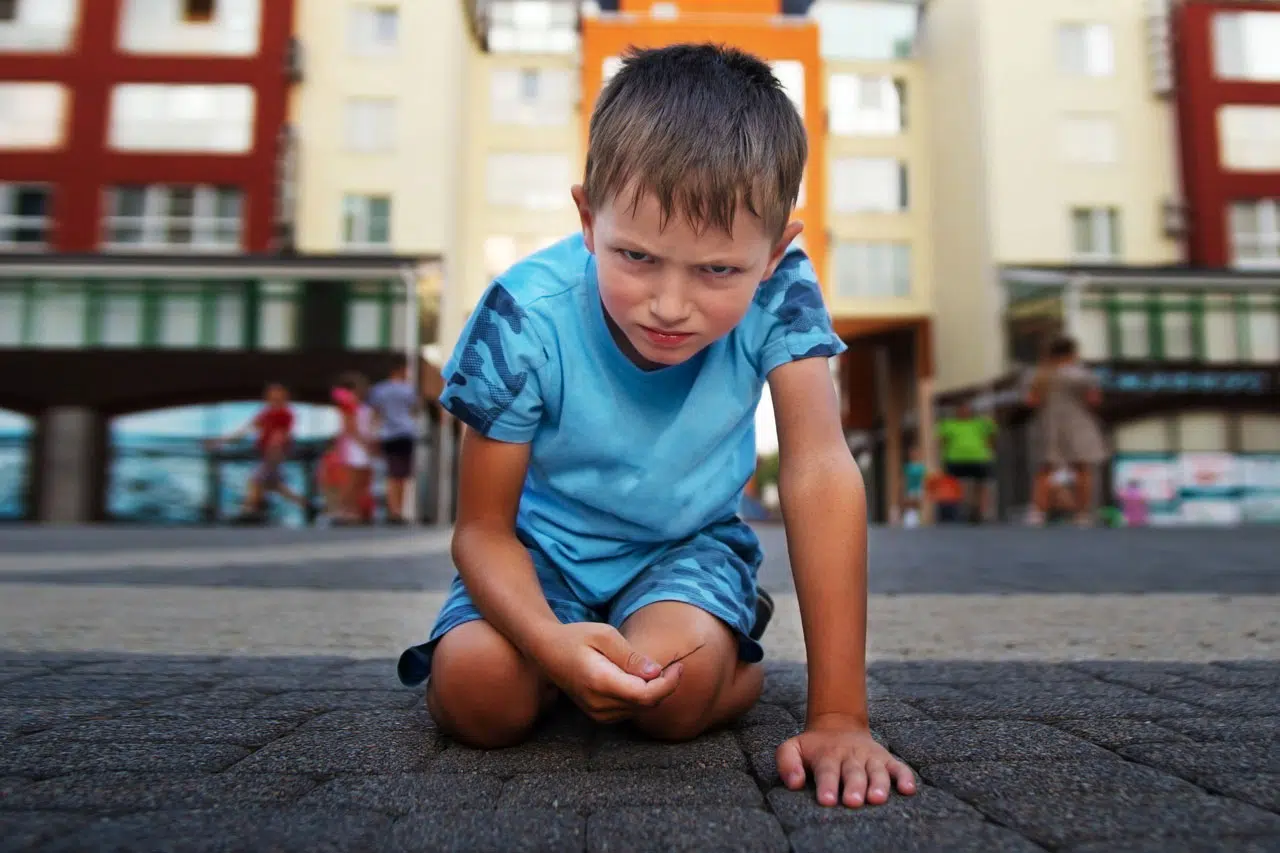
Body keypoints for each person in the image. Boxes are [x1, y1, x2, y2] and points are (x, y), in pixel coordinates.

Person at [397, 44, 915, 809]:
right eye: (637, 256)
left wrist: (839, 714)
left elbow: (819, 468)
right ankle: (564, 670)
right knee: (478, 695)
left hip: (684, 550)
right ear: (587, 218)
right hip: (541, 557)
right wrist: (547, 641)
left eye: (717, 271)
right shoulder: (522, 316)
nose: (670, 305)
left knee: (671, 695)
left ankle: (728, 657)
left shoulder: (784, 293)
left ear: (775, 253)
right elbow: (481, 529)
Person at [1026, 335, 1108, 527]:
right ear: (1073, 353)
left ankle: (1038, 513)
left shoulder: (1039, 375)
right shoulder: (1084, 375)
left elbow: (1032, 401)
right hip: (1079, 423)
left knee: (1045, 469)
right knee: (1082, 469)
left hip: (1049, 423)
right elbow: (1094, 400)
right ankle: (1082, 515)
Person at [206, 382, 306, 524]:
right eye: (271, 393)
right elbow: (246, 429)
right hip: (266, 453)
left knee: (255, 481)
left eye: (278, 393)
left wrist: (276, 451)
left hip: (274, 454)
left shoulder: (284, 413)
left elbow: (282, 434)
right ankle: (307, 506)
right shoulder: (265, 414)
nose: (274, 397)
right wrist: (220, 441)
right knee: (274, 485)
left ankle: (248, 511)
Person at [368, 358, 419, 525]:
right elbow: (414, 410)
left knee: (391, 472)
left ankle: (393, 509)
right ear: (399, 370)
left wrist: (373, 434)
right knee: (403, 474)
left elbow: (375, 414)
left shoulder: (379, 390)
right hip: (406, 432)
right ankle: (398, 511)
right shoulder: (408, 390)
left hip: (387, 433)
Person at [935, 401, 997, 523]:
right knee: (954, 485)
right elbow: (942, 440)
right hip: (955, 459)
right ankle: (958, 510)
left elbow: (992, 433)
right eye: (961, 409)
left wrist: (989, 449)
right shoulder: (949, 425)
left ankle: (977, 511)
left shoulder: (979, 424)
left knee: (981, 484)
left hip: (978, 458)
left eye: (966, 409)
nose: (964, 412)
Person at [330, 372, 375, 525]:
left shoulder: (362, 405)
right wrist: (363, 443)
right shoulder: (348, 404)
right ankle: (344, 510)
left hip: (363, 445)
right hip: (354, 447)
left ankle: (355, 510)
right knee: (351, 480)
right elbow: (349, 427)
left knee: (361, 481)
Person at [900, 444, 926, 527]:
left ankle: (918, 519)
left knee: (917, 505)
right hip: (910, 490)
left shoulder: (921, 467)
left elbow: (923, 479)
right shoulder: (908, 467)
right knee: (910, 505)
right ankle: (910, 519)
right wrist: (903, 491)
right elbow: (904, 480)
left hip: (918, 489)